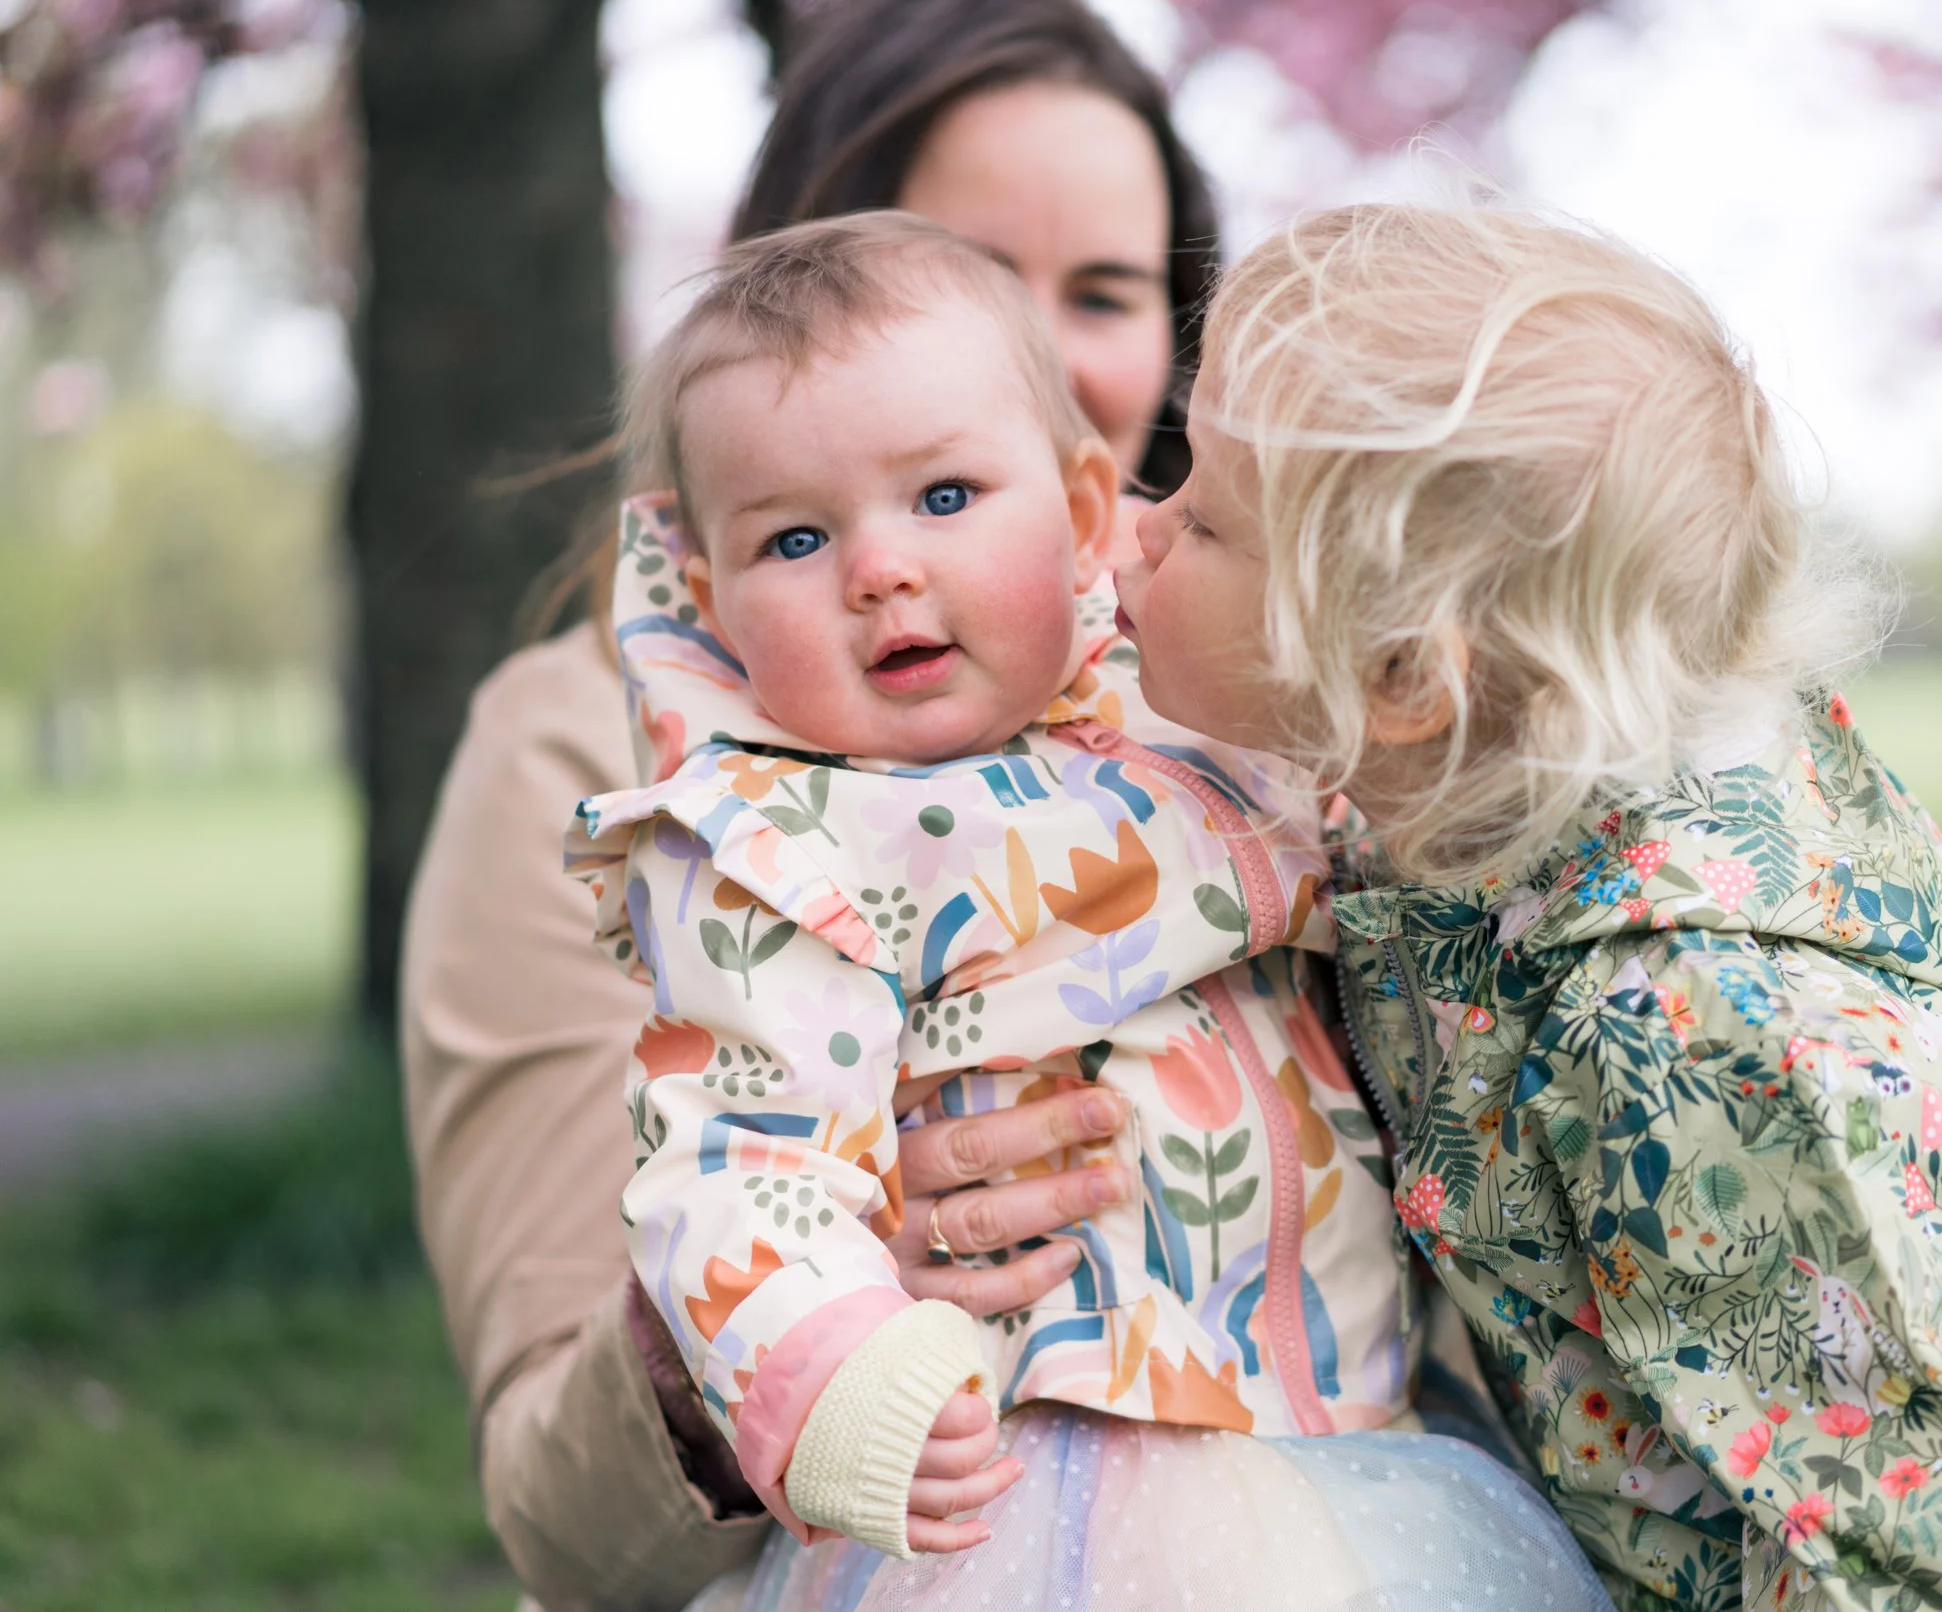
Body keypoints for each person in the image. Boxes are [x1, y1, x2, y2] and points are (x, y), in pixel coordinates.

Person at [1112, 203, 1942, 1611]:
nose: (1132, 531)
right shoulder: (1452, 859)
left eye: (1201, 518)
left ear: (1401, 683)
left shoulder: (1691, 1045)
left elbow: (1894, 1536)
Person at [568, 213, 1616, 1612]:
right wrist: (834, 1368)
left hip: (1354, 1440)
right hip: (1036, 1478)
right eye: (797, 537)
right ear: (713, 599)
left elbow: (1391, 805)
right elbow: (738, 1153)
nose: (878, 568)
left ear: (1075, 513)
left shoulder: (1198, 697)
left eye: (943, 497)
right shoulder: (777, 845)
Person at [396, 0, 1220, 1606]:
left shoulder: (1242, 706)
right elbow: (557, 1522)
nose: (1047, 353)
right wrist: (787, 1283)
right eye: (969, 275)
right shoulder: (593, 764)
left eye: (1110, 291)